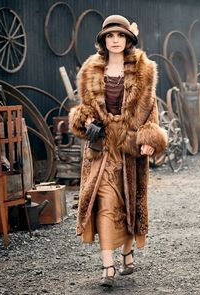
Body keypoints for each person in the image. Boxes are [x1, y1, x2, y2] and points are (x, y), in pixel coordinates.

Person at [69, 14, 167, 287]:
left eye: (120, 35)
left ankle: (127, 251)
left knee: (127, 204)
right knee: (105, 205)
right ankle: (107, 267)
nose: (115, 40)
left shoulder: (144, 71)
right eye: (110, 36)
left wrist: (150, 138)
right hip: (101, 151)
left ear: (128, 40)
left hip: (130, 150)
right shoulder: (90, 71)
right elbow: (84, 108)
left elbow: (151, 110)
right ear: (103, 40)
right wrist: (85, 119)